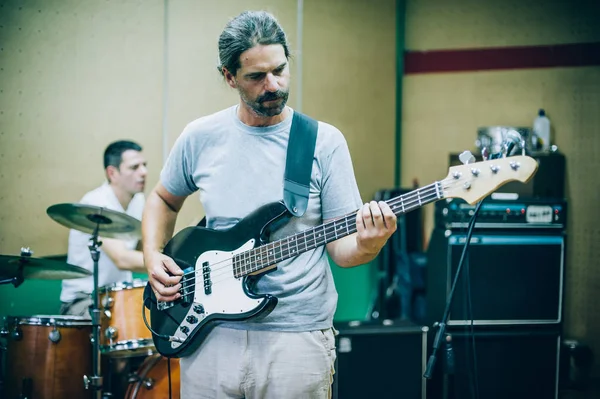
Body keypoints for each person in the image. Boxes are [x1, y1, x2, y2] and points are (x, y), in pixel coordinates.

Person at [142, 10, 396, 398]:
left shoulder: (323, 142)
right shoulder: (200, 136)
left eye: (280, 70)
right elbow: (162, 198)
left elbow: (343, 252)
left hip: (296, 340)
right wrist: (152, 253)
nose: (273, 84)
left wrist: (369, 243)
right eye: (256, 77)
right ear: (229, 77)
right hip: (208, 334)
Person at [60, 140, 148, 317]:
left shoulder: (138, 200)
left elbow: (142, 250)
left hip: (119, 296)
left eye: (144, 165)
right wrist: (166, 262)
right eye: (134, 167)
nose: (144, 172)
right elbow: (122, 259)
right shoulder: (95, 204)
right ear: (112, 173)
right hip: (83, 300)